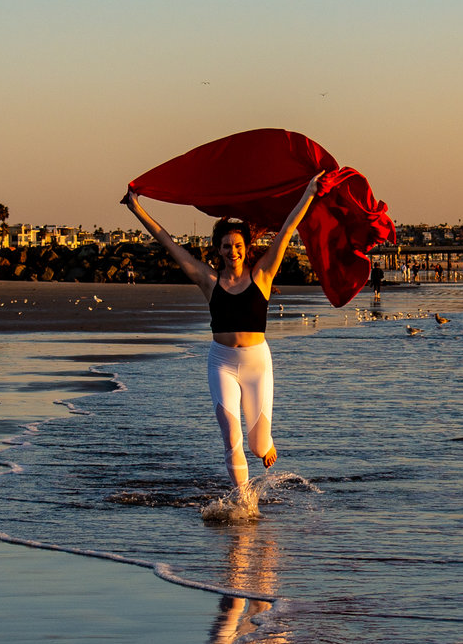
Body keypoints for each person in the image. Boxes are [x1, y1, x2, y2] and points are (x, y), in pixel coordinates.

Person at [122, 171, 331, 517]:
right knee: (230, 433)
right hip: (221, 362)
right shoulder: (208, 279)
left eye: (237, 246)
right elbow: (168, 242)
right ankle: (245, 503)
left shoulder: (263, 274)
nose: (232, 251)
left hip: (257, 364)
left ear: (246, 248)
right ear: (217, 250)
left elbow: (288, 229)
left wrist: (309, 192)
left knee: (257, 444)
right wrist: (135, 207)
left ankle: (266, 444)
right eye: (225, 246)